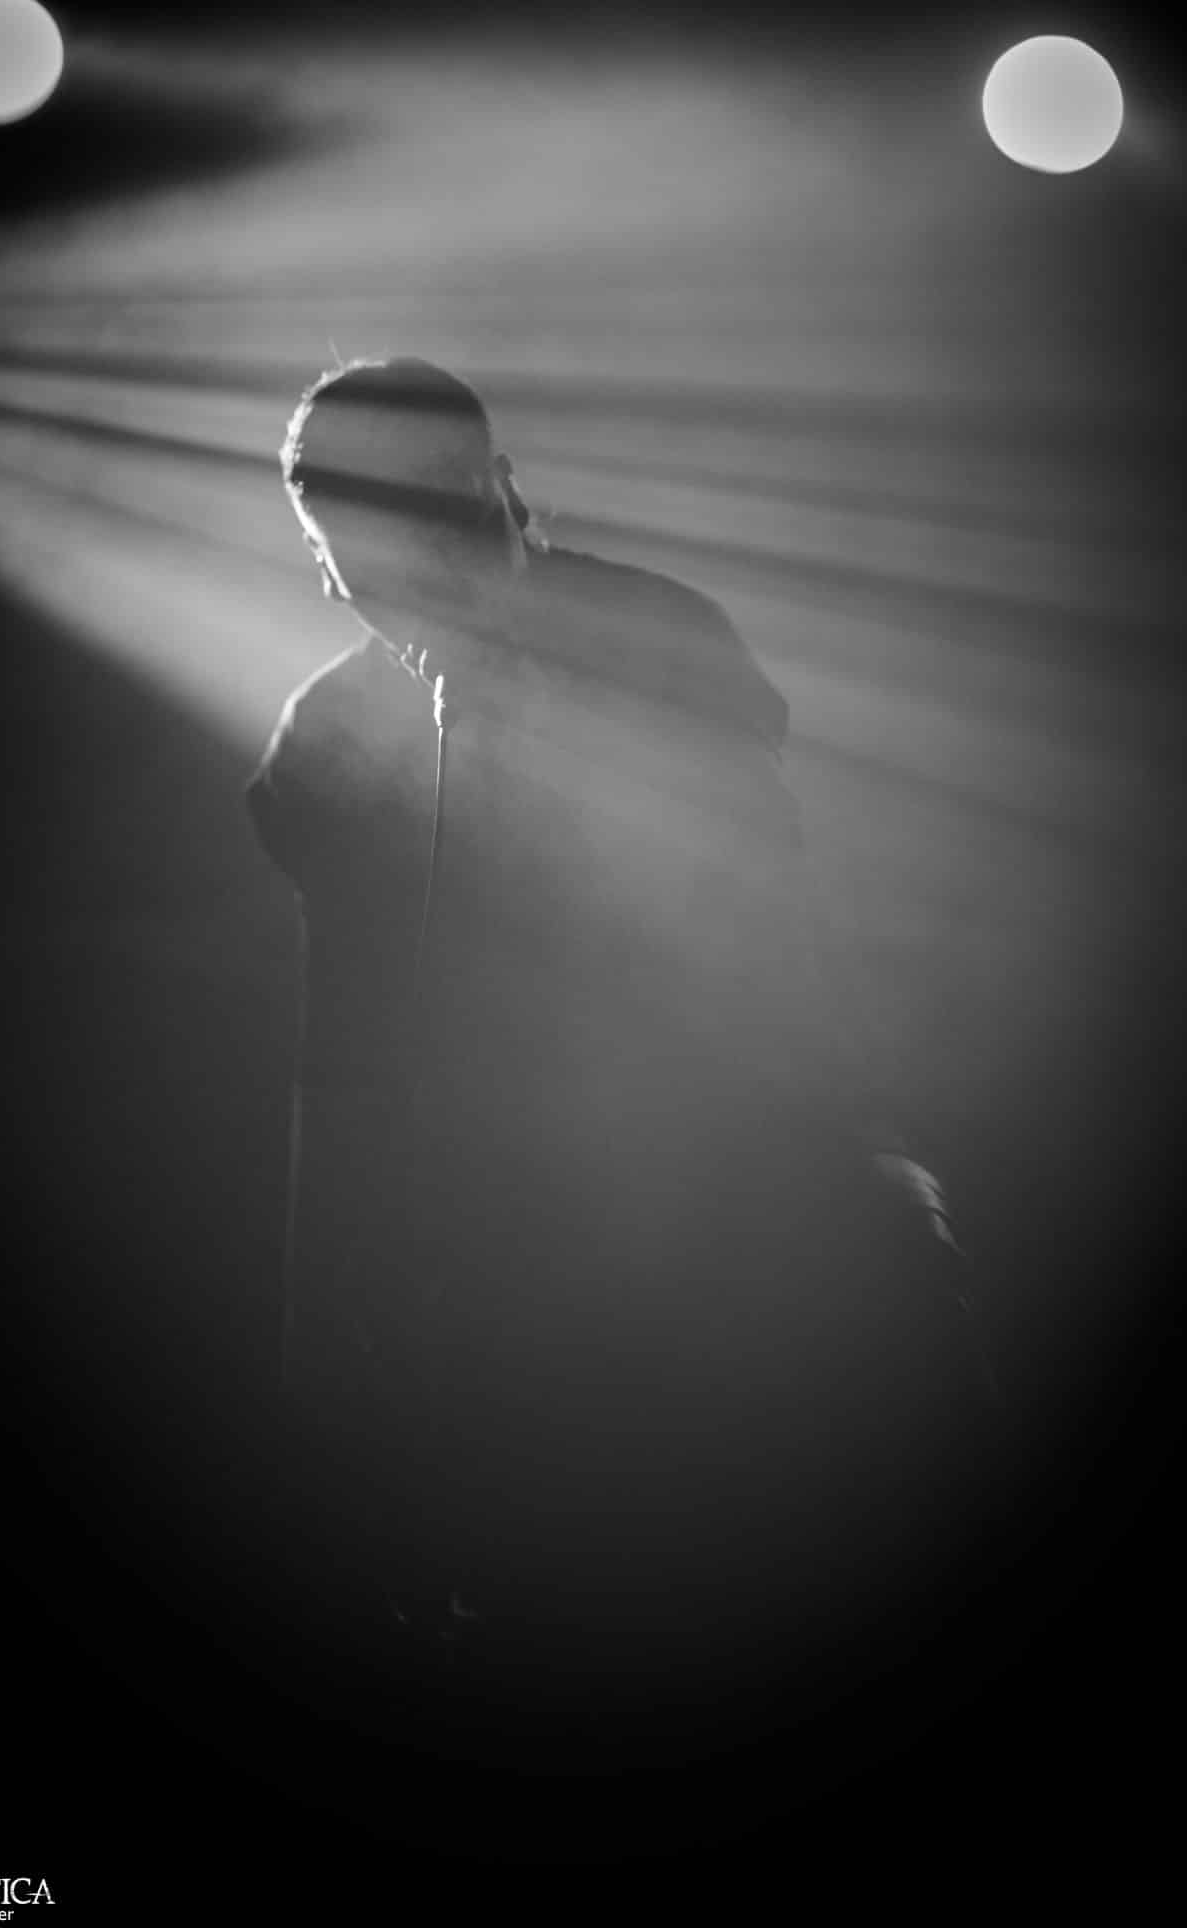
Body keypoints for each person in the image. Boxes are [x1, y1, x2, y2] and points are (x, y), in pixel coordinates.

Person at [246, 355, 1000, 1709]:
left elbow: (765, 935)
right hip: (505, 1305)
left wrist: (856, 1173)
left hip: (732, 1224)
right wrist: (339, 1390)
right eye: (356, 546)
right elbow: (341, 1071)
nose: (397, 570)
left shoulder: (657, 639)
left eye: (433, 512)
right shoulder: (328, 743)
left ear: (501, 490)